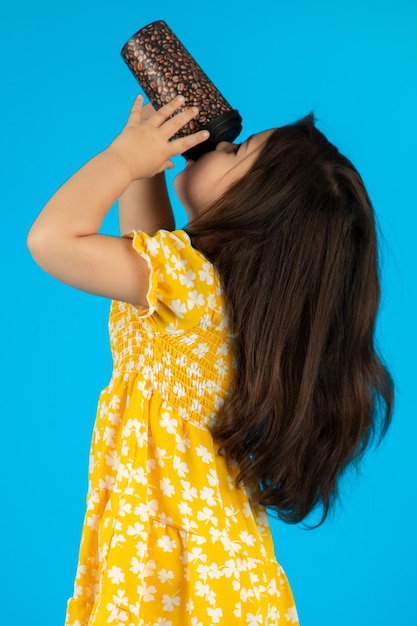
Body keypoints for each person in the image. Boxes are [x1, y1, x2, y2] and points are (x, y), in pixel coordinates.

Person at [27, 94, 393, 626]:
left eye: (238, 150)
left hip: (177, 573)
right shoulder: (207, 293)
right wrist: (145, 161)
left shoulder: (192, 286)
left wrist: (124, 160)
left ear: (257, 209)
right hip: (208, 573)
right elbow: (146, 241)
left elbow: (51, 240)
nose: (220, 144)